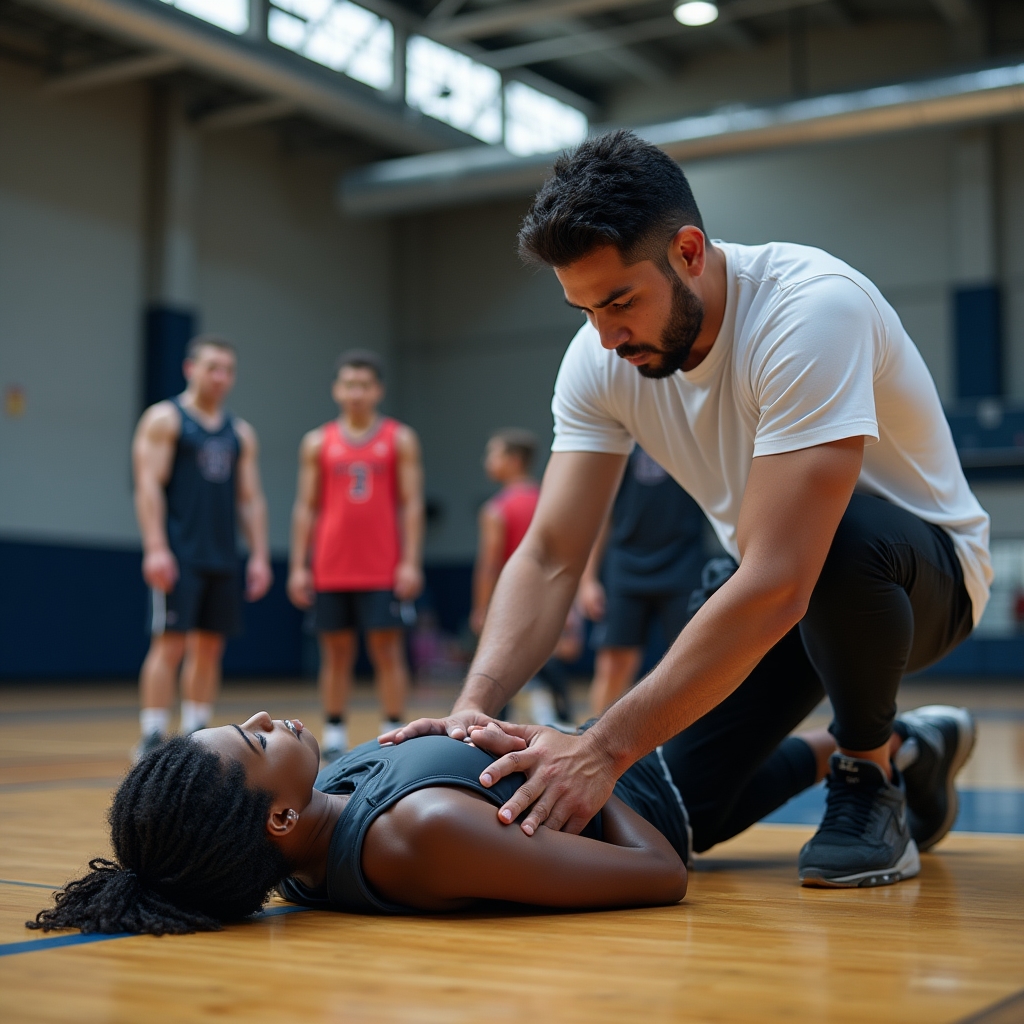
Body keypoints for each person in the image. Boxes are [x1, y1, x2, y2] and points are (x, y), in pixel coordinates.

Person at [383, 130, 990, 889]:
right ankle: (907, 747)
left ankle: (868, 777)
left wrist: (601, 746)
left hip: (914, 583)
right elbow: (551, 554)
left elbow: (781, 579)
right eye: (584, 310)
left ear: (690, 252)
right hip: (773, 585)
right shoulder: (598, 357)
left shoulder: (810, 313)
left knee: (834, 544)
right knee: (669, 812)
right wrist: (474, 703)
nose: (604, 337)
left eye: (619, 303)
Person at [27, 713, 688, 933]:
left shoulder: (305, 839)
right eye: (257, 741)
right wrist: (584, 759)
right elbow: (661, 874)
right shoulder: (420, 835)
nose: (263, 719)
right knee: (782, 595)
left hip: (612, 741)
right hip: (659, 780)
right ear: (280, 816)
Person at [132, 335, 272, 757]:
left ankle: (195, 733)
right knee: (170, 642)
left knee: (210, 645)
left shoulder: (240, 432)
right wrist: (156, 546)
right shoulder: (165, 419)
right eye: (213, 367)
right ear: (190, 369)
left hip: (223, 554)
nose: (221, 377)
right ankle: (153, 734)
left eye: (228, 370)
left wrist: (260, 555)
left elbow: (250, 499)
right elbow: (148, 486)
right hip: (180, 551)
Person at [288, 351, 424, 763]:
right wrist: (298, 565)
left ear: (378, 390)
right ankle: (333, 730)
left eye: (364, 385)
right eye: (348, 384)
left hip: (382, 565)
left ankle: (393, 727)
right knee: (335, 652)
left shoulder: (399, 438)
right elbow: (306, 506)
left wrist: (410, 561)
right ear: (336, 390)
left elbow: (410, 504)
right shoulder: (317, 441)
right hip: (331, 564)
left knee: (387, 649)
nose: (356, 392)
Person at [578, 445, 709, 716]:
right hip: (625, 566)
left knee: (691, 664)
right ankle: (593, 741)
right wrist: (588, 579)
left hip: (683, 563)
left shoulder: (694, 436)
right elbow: (602, 513)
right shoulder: (622, 439)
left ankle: (685, 749)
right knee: (615, 662)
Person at [471, 428, 575, 727]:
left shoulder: (496, 509)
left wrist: (481, 608)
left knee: (500, 666)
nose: (487, 461)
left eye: (494, 454)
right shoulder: (549, 502)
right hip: (547, 595)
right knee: (544, 658)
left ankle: (490, 729)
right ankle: (563, 720)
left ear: (514, 460)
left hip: (511, 598)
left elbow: (490, 565)